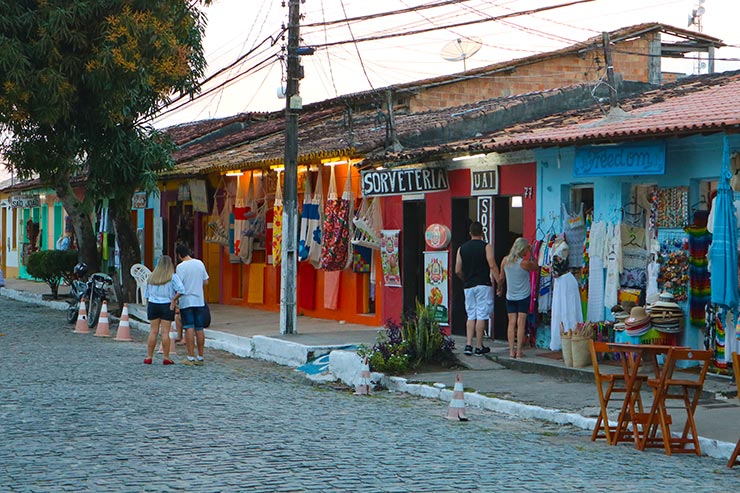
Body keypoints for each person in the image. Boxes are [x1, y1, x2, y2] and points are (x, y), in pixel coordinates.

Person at [455, 221, 500, 356]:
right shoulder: (487, 247)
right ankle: (479, 346)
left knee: (470, 315)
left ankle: (468, 345)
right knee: (481, 315)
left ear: (470, 233)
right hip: (483, 284)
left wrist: (465, 279)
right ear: (482, 232)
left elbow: (457, 270)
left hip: (468, 286)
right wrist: (499, 282)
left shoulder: (461, 248)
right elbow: (492, 265)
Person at [499, 237, 538, 359]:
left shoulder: (505, 261)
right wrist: (532, 253)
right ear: (523, 249)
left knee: (511, 323)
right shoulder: (524, 263)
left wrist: (499, 288)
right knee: (521, 323)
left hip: (510, 296)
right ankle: (519, 351)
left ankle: (511, 351)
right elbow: (536, 266)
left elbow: (501, 278)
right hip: (523, 296)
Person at [143, 255, 184, 365]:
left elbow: (146, 294)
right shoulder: (172, 277)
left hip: (153, 304)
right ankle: (166, 357)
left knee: (153, 331)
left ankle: (149, 356)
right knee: (165, 332)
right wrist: (174, 300)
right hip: (166, 304)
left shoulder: (151, 277)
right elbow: (181, 289)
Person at [175, 244, 209, 366]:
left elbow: (179, 287)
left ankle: (190, 357)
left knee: (189, 327)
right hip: (199, 301)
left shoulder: (181, 267)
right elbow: (206, 281)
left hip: (187, 301)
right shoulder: (200, 263)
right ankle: (200, 357)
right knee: (199, 329)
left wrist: (174, 300)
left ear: (179, 255)